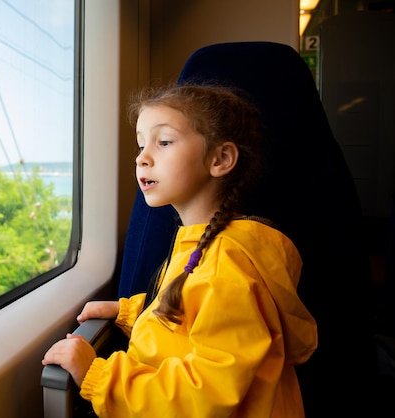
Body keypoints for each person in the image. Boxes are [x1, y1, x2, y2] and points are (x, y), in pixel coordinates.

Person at [42, 83, 318, 417]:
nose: (142, 158)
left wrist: (100, 377)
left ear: (220, 159)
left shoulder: (224, 267)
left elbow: (205, 397)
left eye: (164, 142)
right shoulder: (204, 243)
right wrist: (132, 312)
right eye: (141, 144)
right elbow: (195, 317)